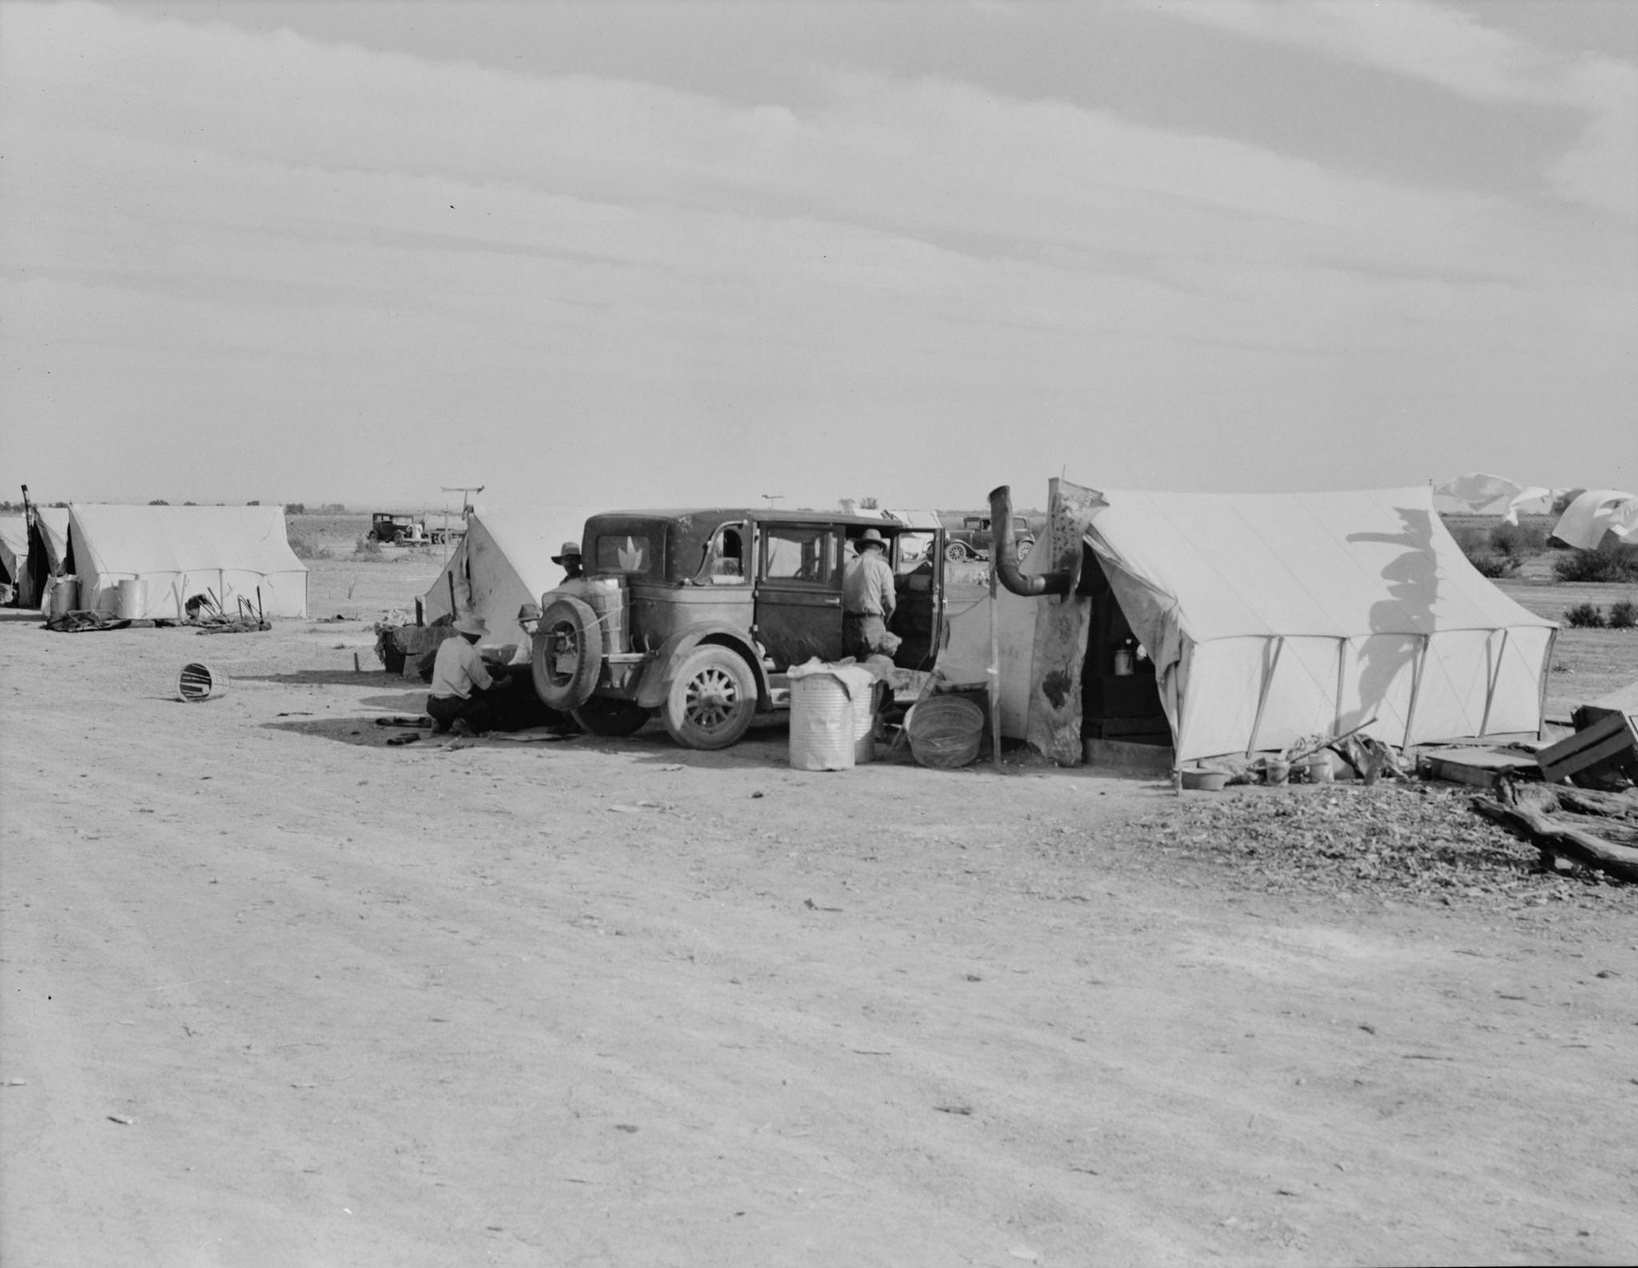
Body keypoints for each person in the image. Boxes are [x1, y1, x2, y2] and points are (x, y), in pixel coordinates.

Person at [426, 614, 504, 736]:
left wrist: (483, 658)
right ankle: (463, 722)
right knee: (483, 707)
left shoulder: (446, 643)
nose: (479, 637)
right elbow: (486, 684)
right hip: (453, 705)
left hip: (433, 704)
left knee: (454, 698)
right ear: (473, 634)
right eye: (478, 634)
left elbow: (457, 657)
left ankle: (441, 722)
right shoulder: (470, 652)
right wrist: (503, 683)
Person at [842, 527, 899, 660]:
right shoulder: (882, 567)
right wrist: (883, 621)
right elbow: (891, 604)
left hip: (848, 624)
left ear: (861, 548)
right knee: (873, 666)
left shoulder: (847, 566)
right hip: (871, 623)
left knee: (849, 668)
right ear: (880, 549)